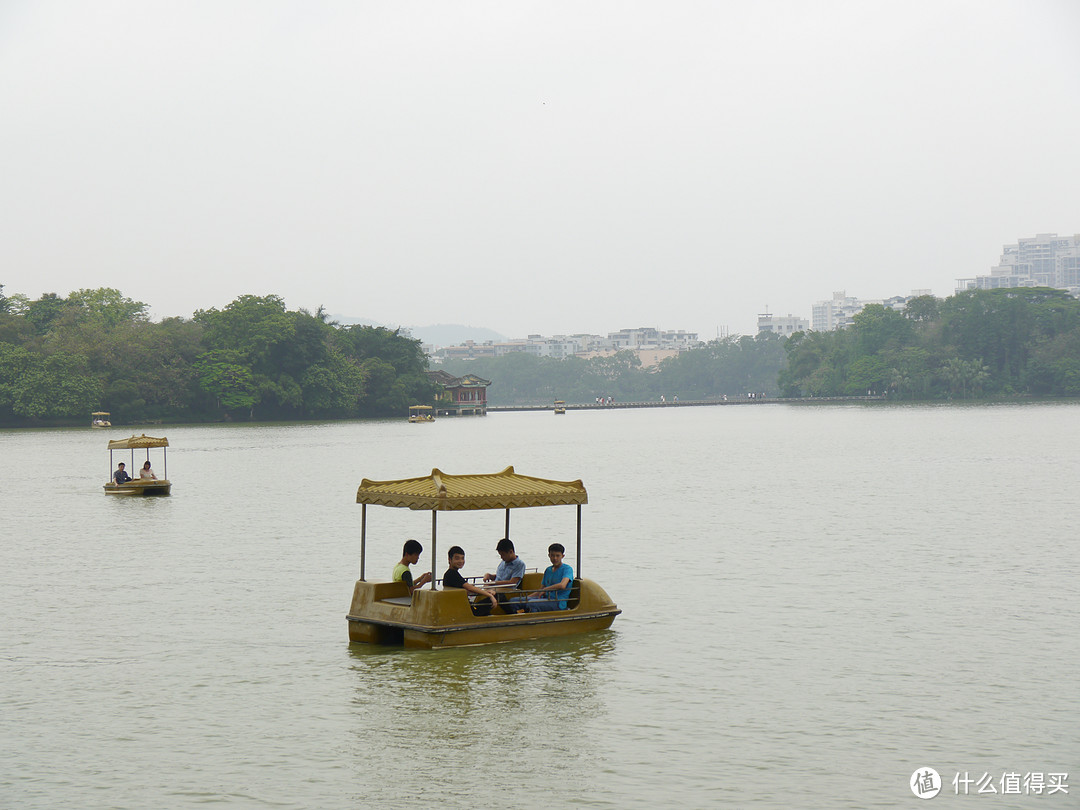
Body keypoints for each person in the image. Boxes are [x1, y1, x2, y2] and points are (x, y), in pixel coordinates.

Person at [442, 546, 498, 615]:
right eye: (457, 558)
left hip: (461, 608)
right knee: (498, 596)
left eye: (462, 558)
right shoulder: (452, 574)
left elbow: (467, 589)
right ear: (450, 560)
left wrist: (486, 592)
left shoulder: (449, 573)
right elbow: (469, 587)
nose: (460, 561)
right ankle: (513, 615)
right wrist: (490, 596)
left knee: (487, 609)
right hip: (467, 610)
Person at [526, 543, 574, 612]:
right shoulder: (548, 570)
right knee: (515, 601)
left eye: (557, 556)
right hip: (545, 598)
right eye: (552, 555)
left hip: (558, 602)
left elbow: (562, 585)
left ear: (562, 556)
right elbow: (541, 589)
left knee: (532, 604)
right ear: (549, 555)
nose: (555, 558)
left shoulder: (567, 569)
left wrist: (546, 589)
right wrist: (526, 598)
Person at [483, 537, 526, 614]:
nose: (501, 557)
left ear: (511, 551)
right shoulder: (503, 562)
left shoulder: (519, 564)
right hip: (495, 588)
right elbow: (499, 577)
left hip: (507, 591)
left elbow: (512, 582)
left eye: (503, 555)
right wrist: (489, 576)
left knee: (492, 594)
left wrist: (494, 583)